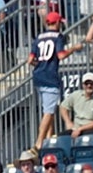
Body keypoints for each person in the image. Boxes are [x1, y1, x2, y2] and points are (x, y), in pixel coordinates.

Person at [30, 11, 81, 151]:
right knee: (49, 111)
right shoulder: (58, 37)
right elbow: (61, 55)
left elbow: (30, 60)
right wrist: (74, 48)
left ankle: (48, 137)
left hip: (38, 75)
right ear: (57, 22)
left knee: (47, 109)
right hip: (50, 76)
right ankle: (39, 142)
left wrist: (41, 64)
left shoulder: (38, 37)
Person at [60, 71, 93, 136]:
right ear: (83, 85)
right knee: (61, 138)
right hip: (75, 128)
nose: (89, 86)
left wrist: (80, 129)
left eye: (91, 83)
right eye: (86, 83)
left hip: (91, 129)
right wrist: (68, 122)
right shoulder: (76, 95)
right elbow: (63, 106)